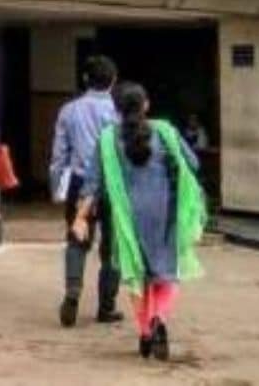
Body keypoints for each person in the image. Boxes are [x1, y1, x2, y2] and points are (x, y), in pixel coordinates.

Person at [73, 83, 206, 361]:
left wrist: (81, 217)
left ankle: (145, 332)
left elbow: (92, 183)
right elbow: (192, 164)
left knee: (137, 274)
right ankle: (159, 319)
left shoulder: (107, 140)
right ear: (146, 105)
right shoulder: (166, 132)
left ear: (116, 109)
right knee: (166, 272)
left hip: (127, 218)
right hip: (164, 214)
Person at [50, 54, 122, 327]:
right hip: (113, 184)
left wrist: (56, 186)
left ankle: (72, 292)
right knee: (113, 245)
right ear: (113, 80)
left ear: (84, 79)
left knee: (77, 239)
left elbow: (59, 154)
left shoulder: (68, 110)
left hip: (80, 183)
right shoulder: (118, 111)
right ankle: (107, 306)